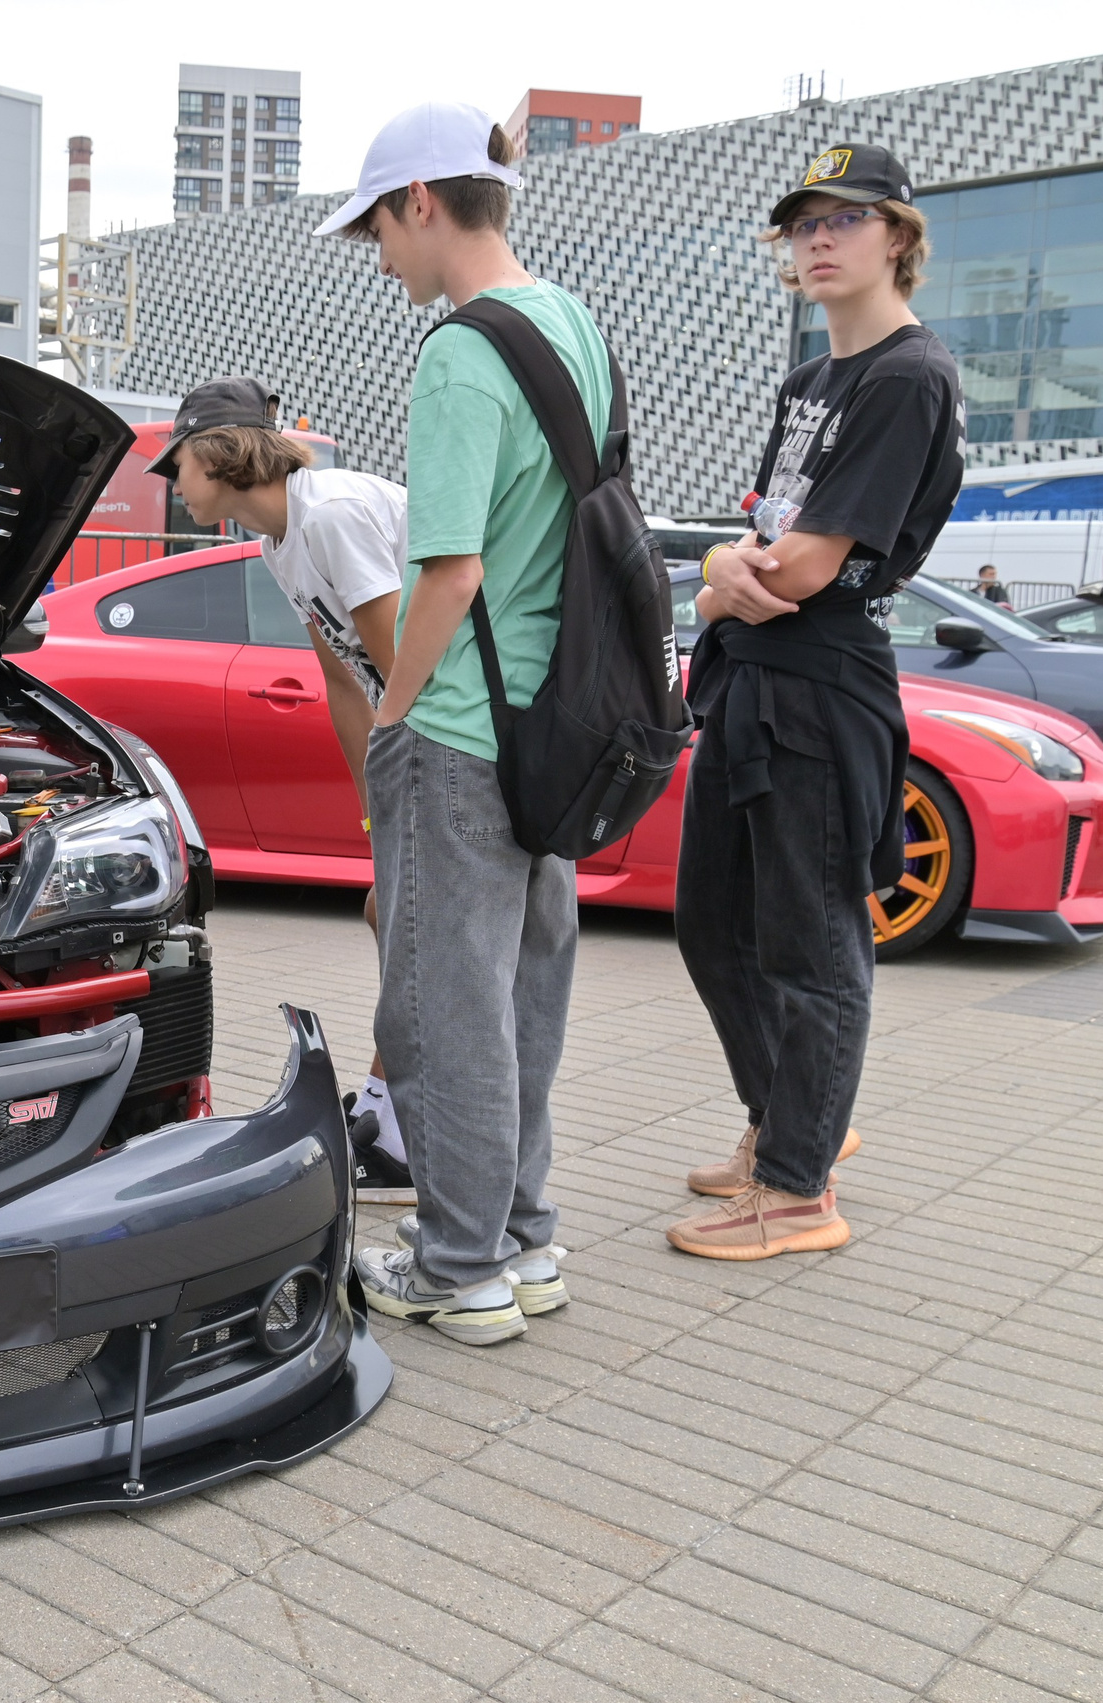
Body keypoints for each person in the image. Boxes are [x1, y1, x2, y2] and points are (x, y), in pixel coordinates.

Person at [316, 101, 603, 1344]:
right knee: (525, 991)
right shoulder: (571, 324)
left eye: (377, 226)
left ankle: (455, 1263)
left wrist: (390, 709)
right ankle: (522, 1237)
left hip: (466, 734)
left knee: (438, 1010)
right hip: (562, 730)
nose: (379, 256)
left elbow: (449, 573)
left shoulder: (458, 351)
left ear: (420, 201)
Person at [670, 143, 963, 1260]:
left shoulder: (905, 376)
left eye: (848, 218)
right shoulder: (809, 383)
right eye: (805, 224)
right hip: (752, 677)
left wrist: (728, 578)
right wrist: (716, 575)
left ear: (898, 237)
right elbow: (755, 547)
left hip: (824, 680)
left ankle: (798, 1193)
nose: (821, 238)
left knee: (811, 938)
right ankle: (790, 1126)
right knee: (709, 921)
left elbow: (795, 570)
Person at [144, 378, 415, 1201]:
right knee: (395, 916)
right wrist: (377, 808)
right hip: (415, 746)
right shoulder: (281, 538)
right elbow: (344, 678)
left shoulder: (329, 514)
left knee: (412, 929)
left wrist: (421, 789)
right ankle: (395, 1117)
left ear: (219, 453)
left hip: (465, 735)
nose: (171, 482)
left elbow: (408, 666)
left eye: (177, 464)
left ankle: (399, 1129)